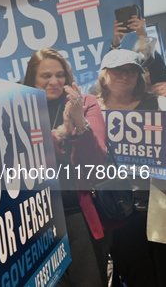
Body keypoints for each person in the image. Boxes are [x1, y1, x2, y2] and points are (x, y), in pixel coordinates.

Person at [22, 47, 108, 287]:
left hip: (76, 211)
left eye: (60, 75)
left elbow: (96, 160)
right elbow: (25, 158)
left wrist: (79, 121)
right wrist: (60, 134)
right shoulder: (19, 107)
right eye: (45, 76)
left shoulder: (87, 102)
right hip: (36, 219)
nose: (54, 82)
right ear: (32, 79)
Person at [94, 49, 166, 286]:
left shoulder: (158, 102)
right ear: (104, 75)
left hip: (159, 200)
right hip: (118, 205)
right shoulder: (92, 112)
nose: (125, 75)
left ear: (139, 76)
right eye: (118, 70)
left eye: (131, 71)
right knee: (135, 271)